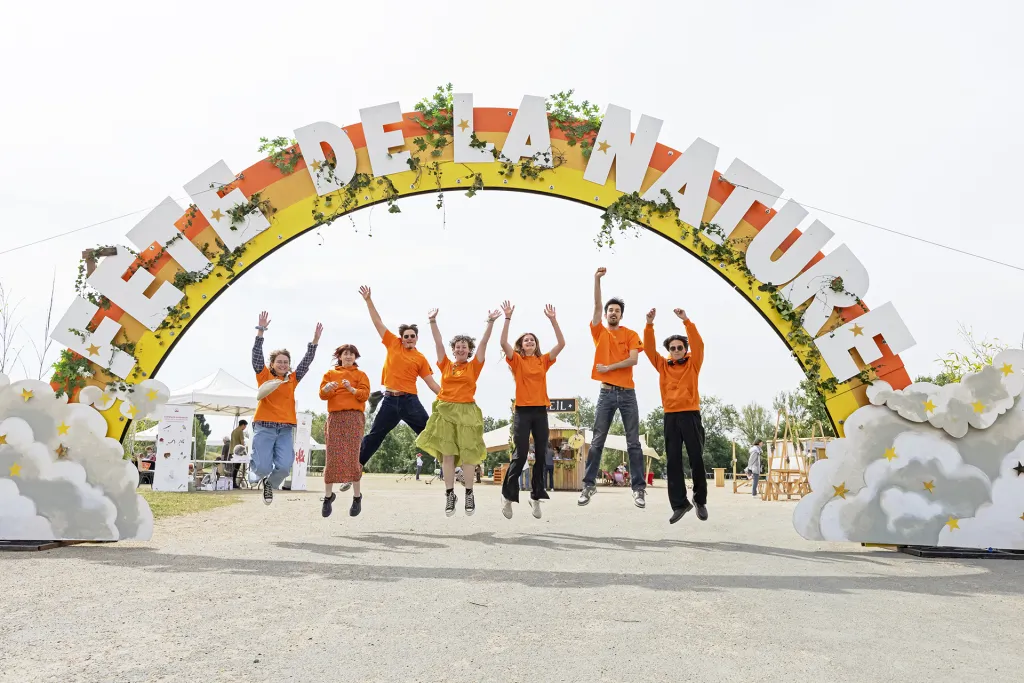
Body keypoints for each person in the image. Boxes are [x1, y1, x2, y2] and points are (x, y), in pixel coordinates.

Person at [414, 307, 500, 516]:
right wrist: (433, 321)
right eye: (458, 346)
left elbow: (484, 343)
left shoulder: (474, 366)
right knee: (448, 455)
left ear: (469, 350)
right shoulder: (445, 365)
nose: (461, 349)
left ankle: (469, 493)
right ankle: (450, 495)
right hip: (445, 411)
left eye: (465, 347)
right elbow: (438, 343)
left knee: (469, 455)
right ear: (453, 350)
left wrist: (490, 322)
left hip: (467, 412)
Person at [578, 268, 645, 509]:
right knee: (597, 441)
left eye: (617, 310)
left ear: (621, 315)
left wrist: (609, 367)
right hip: (605, 393)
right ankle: (588, 485)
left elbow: (634, 359)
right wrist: (596, 280)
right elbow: (596, 306)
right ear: (606, 314)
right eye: (610, 310)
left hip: (627, 393)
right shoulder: (600, 332)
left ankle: (638, 489)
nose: (613, 313)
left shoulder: (630, 334)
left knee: (633, 443)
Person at [357, 286, 442, 468]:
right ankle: (356, 466)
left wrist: (449, 396)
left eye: (412, 336)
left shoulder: (420, 358)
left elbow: (431, 383)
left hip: (410, 401)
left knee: (428, 432)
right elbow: (378, 322)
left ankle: (451, 464)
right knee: (375, 435)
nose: (409, 338)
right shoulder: (393, 344)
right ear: (401, 338)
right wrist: (368, 301)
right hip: (389, 401)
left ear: (417, 338)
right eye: (406, 336)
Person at [499, 301, 565, 519]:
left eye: (532, 340)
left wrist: (553, 320)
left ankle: (535, 497)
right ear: (522, 344)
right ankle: (508, 497)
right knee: (520, 455)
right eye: (526, 339)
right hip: (522, 412)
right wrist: (507, 317)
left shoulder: (543, 361)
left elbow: (561, 344)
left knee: (542, 454)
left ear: (536, 345)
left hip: (540, 412)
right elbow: (502, 342)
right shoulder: (517, 361)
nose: (529, 341)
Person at [643, 306, 708, 523]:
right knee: (673, 461)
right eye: (673, 348)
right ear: (669, 350)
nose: (677, 350)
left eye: (680, 347)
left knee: (696, 458)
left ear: (685, 349)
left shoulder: (693, 363)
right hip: (671, 416)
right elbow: (649, 349)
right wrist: (649, 324)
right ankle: (680, 504)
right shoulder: (663, 365)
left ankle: (699, 500)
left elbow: (699, 344)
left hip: (690, 414)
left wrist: (686, 321)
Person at [250, 310, 322, 505]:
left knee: (284, 467)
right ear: (272, 364)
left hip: (285, 428)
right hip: (264, 426)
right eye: (279, 362)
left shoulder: (292, 379)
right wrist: (261, 332)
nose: (283, 364)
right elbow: (256, 357)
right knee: (263, 468)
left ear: (289, 365)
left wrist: (314, 342)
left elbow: (306, 363)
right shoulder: (264, 376)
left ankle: (269, 485)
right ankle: (256, 470)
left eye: (286, 362)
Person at [319, 344, 371, 518]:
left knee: (353, 456)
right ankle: (328, 496)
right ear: (339, 356)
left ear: (355, 357)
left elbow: (365, 394)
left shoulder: (361, 375)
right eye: (345, 354)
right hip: (335, 417)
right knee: (332, 456)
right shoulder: (330, 374)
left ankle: (357, 497)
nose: (348, 356)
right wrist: (327, 389)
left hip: (354, 417)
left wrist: (351, 389)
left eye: (352, 354)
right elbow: (322, 394)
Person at [228, 420, 247, 488]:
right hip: (238, 454)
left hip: (231, 452)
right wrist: (245, 452)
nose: (245, 427)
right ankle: (234, 484)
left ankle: (231, 483)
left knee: (232, 469)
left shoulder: (233, 431)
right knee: (236, 469)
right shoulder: (240, 431)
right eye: (245, 426)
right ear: (243, 425)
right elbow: (242, 443)